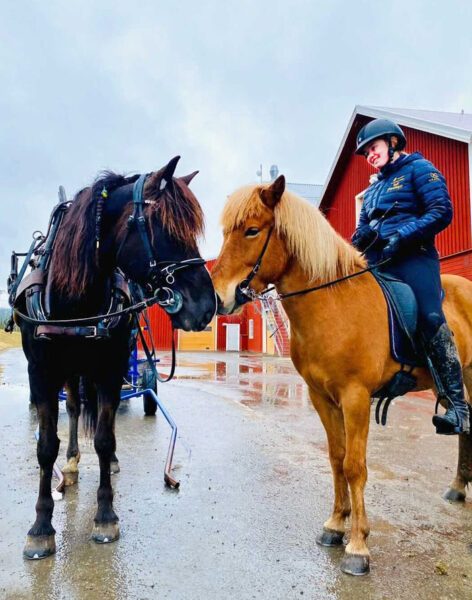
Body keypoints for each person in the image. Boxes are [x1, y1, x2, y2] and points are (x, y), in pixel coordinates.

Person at [352, 118, 470, 435]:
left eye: (372, 148)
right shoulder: (374, 189)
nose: (369, 155)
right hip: (379, 262)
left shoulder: (420, 169)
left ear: (392, 142)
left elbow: (441, 209)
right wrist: (357, 240)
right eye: (365, 153)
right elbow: (364, 227)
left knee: (430, 317)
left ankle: (459, 408)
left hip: (414, 257)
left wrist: (404, 235)